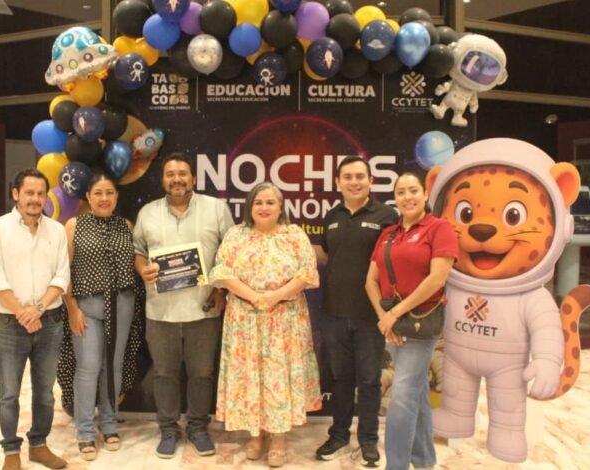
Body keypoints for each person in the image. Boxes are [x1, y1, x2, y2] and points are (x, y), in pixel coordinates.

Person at [209, 182, 322, 468]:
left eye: (270, 202)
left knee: (278, 377)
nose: (264, 207)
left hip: (285, 320)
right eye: (258, 202)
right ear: (250, 207)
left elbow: (307, 272)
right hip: (244, 319)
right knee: (250, 376)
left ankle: (279, 437)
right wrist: (254, 296)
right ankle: (256, 434)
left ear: (281, 207)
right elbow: (222, 271)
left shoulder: (294, 235)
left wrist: (274, 296)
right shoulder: (236, 235)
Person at [132, 152, 234, 459]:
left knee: (202, 373)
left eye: (182, 174)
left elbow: (231, 252)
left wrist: (221, 288)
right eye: (170, 174)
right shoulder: (148, 213)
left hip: (204, 308)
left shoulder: (216, 209)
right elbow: (138, 251)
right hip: (160, 309)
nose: (177, 179)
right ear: (163, 179)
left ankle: (198, 428)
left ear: (193, 178)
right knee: (164, 373)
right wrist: (142, 269)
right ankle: (168, 429)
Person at [365, 173, 458, 470]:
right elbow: (370, 280)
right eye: (401, 192)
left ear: (425, 193)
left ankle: (396, 465)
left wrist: (395, 313)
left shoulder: (439, 228)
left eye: (413, 190)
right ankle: (424, 460)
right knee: (416, 392)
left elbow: (437, 279)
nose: (407, 197)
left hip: (421, 324)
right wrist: (385, 317)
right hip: (392, 325)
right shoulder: (388, 233)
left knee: (402, 396)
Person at [0, 168, 70, 470]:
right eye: (29, 193)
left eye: (40, 193)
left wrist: (38, 309)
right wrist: (24, 312)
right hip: (11, 324)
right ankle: (10, 451)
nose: (35, 199)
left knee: (44, 392)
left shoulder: (56, 230)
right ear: (15, 194)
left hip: (50, 322)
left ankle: (39, 445)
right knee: (9, 393)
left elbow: (62, 276)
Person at [316, 157, 399, 467]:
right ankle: (338, 435)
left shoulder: (387, 215)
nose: (354, 182)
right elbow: (326, 255)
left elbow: (395, 259)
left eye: (360, 176)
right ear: (338, 182)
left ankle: (368, 440)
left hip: (370, 315)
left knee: (369, 380)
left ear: (370, 181)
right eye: (347, 177)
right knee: (340, 379)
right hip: (334, 313)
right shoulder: (331, 216)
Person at [63, 172, 136, 461]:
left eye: (109, 193)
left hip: (122, 304)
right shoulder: (73, 226)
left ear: (116, 196)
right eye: (98, 193)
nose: (104, 198)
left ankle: (108, 423)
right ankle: (84, 431)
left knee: (113, 367)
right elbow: (63, 270)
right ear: (88, 197)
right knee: (88, 367)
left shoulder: (126, 226)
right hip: (86, 306)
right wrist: (72, 308)